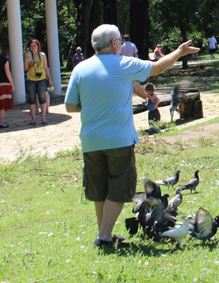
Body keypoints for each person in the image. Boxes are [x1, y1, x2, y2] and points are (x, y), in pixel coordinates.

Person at [64, 24, 198, 249]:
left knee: (100, 191)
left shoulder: (80, 69)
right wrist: (180, 52)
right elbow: (157, 67)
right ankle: (104, 237)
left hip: (90, 140)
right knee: (119, 188)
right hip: (118, 140)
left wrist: (94, 106)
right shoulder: (123, 64)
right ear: (115, 43)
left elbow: (70, 105)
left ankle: (104, 234)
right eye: (121, 42)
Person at [25, 38, 52, 126]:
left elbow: (45, 67)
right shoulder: (28, 55)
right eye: (31, 46)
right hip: (31, 79)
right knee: (32, 99)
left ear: (38, 46)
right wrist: (26, 60)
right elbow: (25, 69)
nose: (33, 47)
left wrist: (49, 79)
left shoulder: (42, 55)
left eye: (34, 46)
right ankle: (33, 119)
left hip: (41, 79)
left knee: (42, 98)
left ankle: (43, 118)